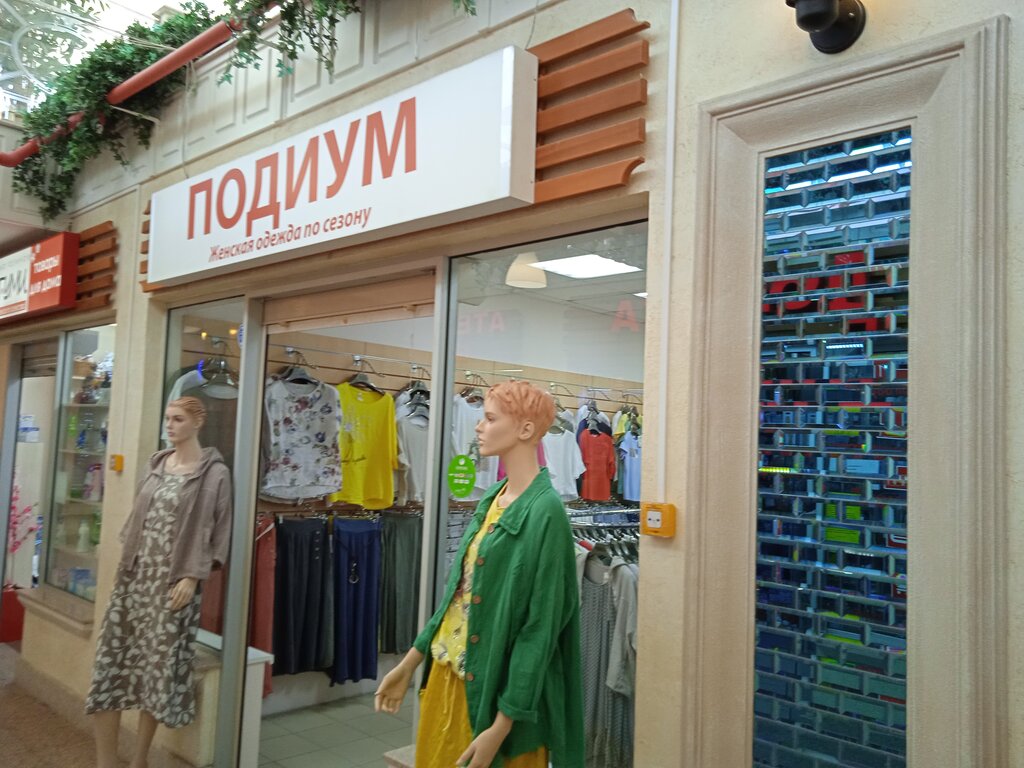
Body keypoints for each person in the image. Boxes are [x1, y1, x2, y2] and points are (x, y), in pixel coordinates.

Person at [375, 381, 584, 768]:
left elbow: (539, 631)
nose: (478, 426)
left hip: (493, 698)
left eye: (489, 418)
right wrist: (409, 663)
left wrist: (501, 726)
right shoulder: (494, 496)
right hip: (445, 677)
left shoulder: (547, 512)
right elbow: (456, 596)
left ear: (525, 429)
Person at [85, 396, 232, 768]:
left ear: (198, 422)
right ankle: (105, 761)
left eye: (178, 419)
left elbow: (218, 532)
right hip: (134, 578)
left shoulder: (214, 474)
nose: (170, 425)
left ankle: (139, 760)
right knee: (110, 663)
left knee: (156, 671)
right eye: (167, 418)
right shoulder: (156, 464)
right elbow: (139, 517)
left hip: (173, 586)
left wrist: (192, 576)